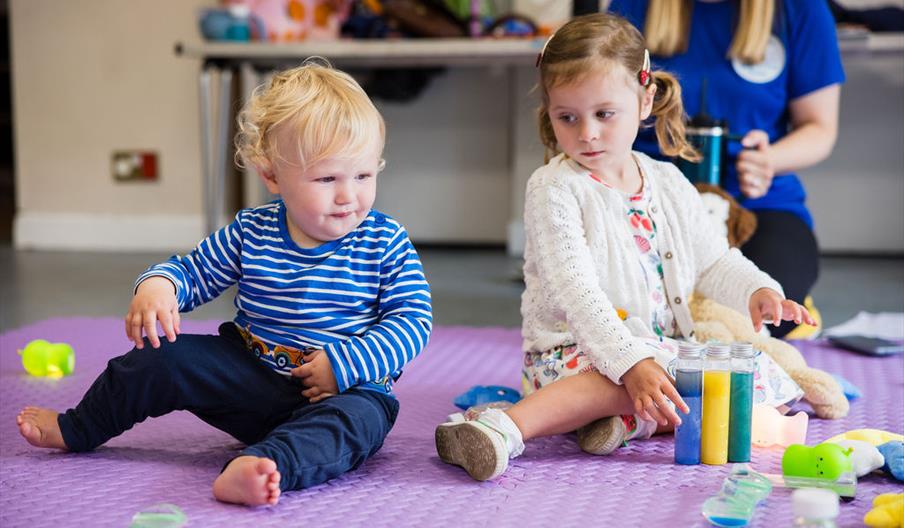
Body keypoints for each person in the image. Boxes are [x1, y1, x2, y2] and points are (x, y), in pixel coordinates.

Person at [16, 61, 433, 506]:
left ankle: (264, 465)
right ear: (272, 176)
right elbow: (194, 272)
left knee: (356, 425)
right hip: (251, 382)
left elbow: (412, 319)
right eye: (327, 178)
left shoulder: (385, 240)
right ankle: (79, 427)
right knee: (162, 357)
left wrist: (347, 364)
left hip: (343, 392)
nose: (349, 196)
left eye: (364, 175)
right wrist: (158, 287)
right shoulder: (252, 231)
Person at [434, 13, 814, 482]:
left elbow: (714, 261)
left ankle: (621, 423)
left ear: (644, 99)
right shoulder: (554, 188)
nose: (586, 133)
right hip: (572, 353)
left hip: (653, 350)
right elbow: (577, 294)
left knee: (746, 371)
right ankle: (502, 428)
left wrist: (758, 290)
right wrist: (631, 362)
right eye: (567, 117)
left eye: (603, 114)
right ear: (549, 112)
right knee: (643, 380)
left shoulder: (668, 181)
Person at [608, 0, 844, 338]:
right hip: (650, 205)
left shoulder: (800, 9)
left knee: (773, 308)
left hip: (758, 205)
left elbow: (820, 127)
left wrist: (770, 159)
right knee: (631, 311)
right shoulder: (632, 6)